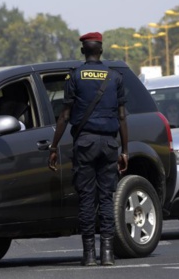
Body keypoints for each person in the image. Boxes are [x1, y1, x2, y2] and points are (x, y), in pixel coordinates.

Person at [48, 32, 128, 266]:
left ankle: (89, 255)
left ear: (83, 51)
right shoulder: (115, 77)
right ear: (101, 50)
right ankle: (108, 254)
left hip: (85, 143)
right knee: (106, 198)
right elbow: (122, 117)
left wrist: (53, 147)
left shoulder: (75, 76)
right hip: (110, 144)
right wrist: (125, 150)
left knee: (86, 199)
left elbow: (64, 115)